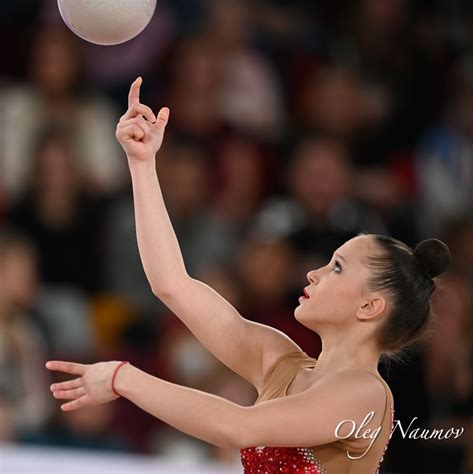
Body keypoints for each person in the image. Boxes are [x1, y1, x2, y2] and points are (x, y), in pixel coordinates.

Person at [45, 78, 451, 473]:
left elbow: (236, 426)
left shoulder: (363, 394)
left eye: (337, 267)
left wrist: (123, 378)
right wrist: (142, 164)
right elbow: (171, 284)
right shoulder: (280, 360)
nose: (312, 273)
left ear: (370, 306)